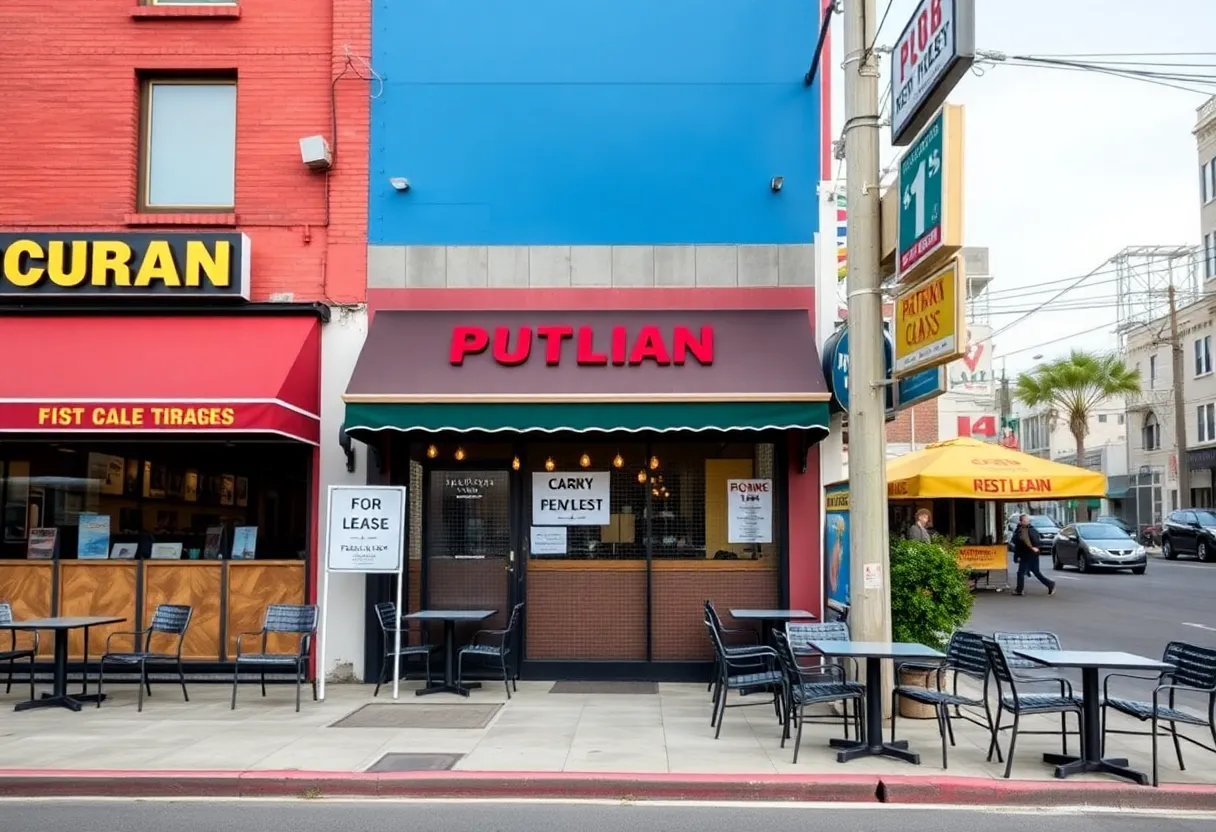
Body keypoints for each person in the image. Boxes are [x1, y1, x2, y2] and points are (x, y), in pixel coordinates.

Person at [1012, 514, 1056, 596]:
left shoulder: (1023, 530)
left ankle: (1019, 590)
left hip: (1027, 554)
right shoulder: (1029, 530)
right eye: (1025, 520)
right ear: (1021, 521)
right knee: (1036, 572)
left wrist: (1032, 548)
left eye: (1027, 520)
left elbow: (1024, 542)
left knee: (1021, 573)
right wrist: (1035, 549)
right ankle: (1050, 584)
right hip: (1032, 554)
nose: (1026, 522)